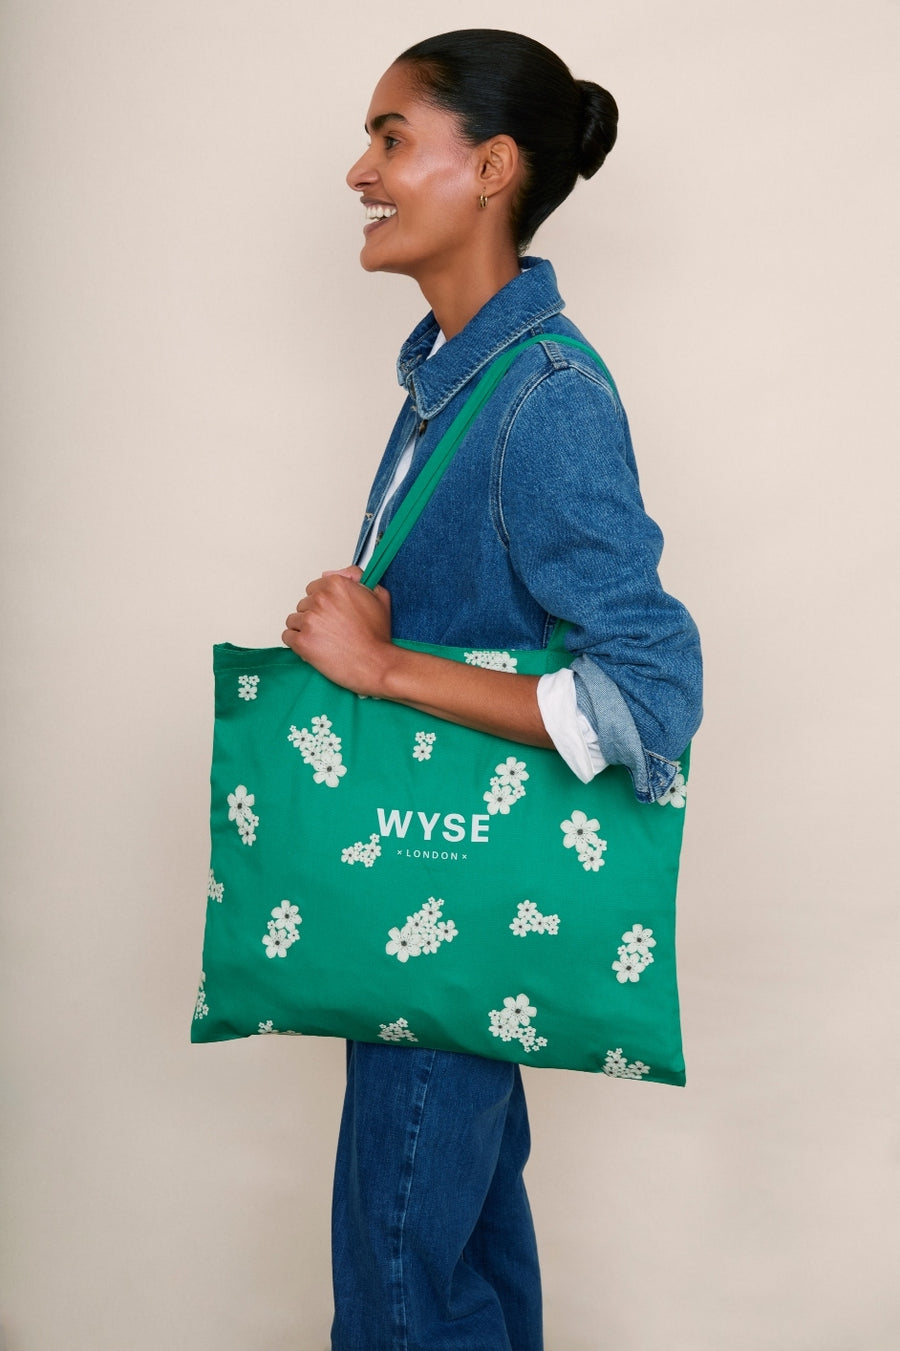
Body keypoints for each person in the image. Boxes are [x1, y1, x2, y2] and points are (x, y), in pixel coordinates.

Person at [282, 28, 702, 1351]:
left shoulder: (542, 396)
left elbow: (650, 694)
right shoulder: (453, 383)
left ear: (493, 167)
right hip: (442, 899)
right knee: (459, 1260)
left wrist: (381, 666)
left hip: (444, 903)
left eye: (392, 137)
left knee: (403, 1292)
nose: (361, 171)